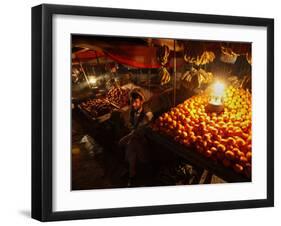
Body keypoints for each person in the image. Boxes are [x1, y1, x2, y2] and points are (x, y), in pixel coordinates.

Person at [119, 88, 153, 186]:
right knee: (132, 146)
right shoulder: (132, 110)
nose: (133, 104)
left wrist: (126, 138)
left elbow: (142, 127)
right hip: (135, 138)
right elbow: (130, 123)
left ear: (142, 101)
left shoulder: (147, 113)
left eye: (136, 102)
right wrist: (130, 132)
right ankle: (131, 173)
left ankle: (131, 173)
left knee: (131, 145)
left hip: (145, 139)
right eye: (132, 102)